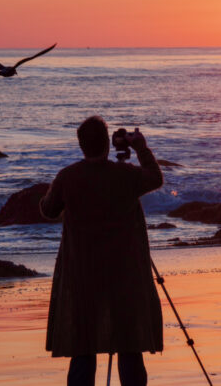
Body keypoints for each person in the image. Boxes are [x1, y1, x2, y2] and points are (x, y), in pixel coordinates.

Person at [40, 116, 164, 386]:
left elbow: (48, 210)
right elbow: (155, 178)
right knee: (129, 344)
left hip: (83, 274)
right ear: (108, 144)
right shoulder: (126, 175)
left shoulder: (68, 177)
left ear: (81, 145)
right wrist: (141, 147)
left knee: (83, 347)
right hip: (124, 272)